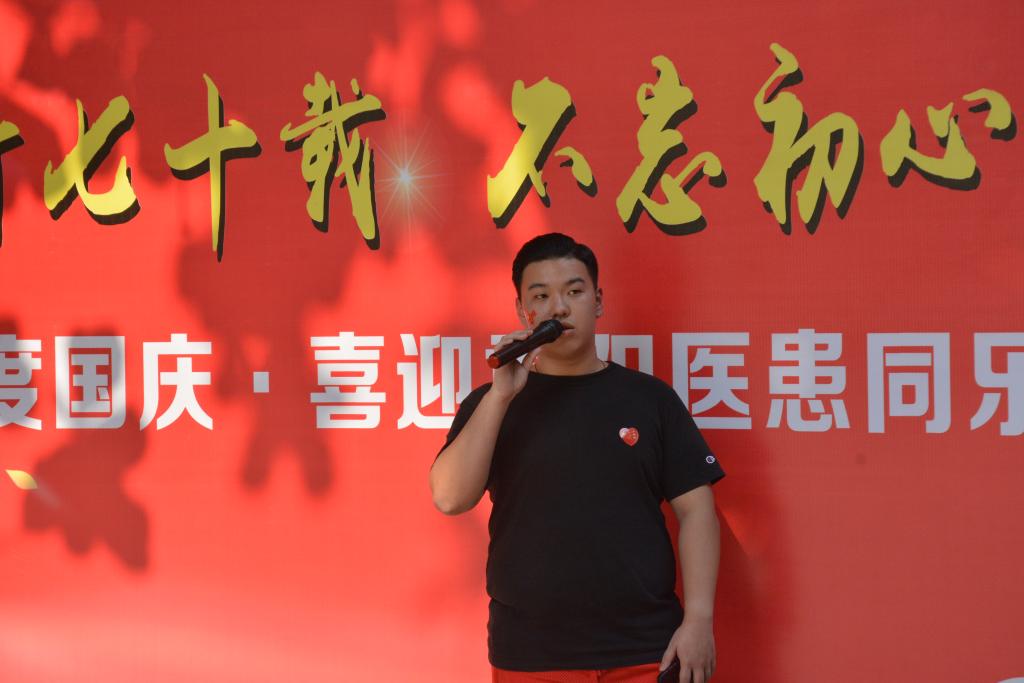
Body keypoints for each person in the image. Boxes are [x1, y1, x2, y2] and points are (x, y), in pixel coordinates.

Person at [430, 233, 724, 683]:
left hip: (646, 647)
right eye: (541, 296)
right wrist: (501, 396)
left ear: (598, 301)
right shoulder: (492, 404)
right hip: (531, 653)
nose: (559, 308)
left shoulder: (651, 400)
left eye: (574, 291)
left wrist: (699, 619)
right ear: (522, 311)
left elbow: (697, 510)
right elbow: (450, 498)